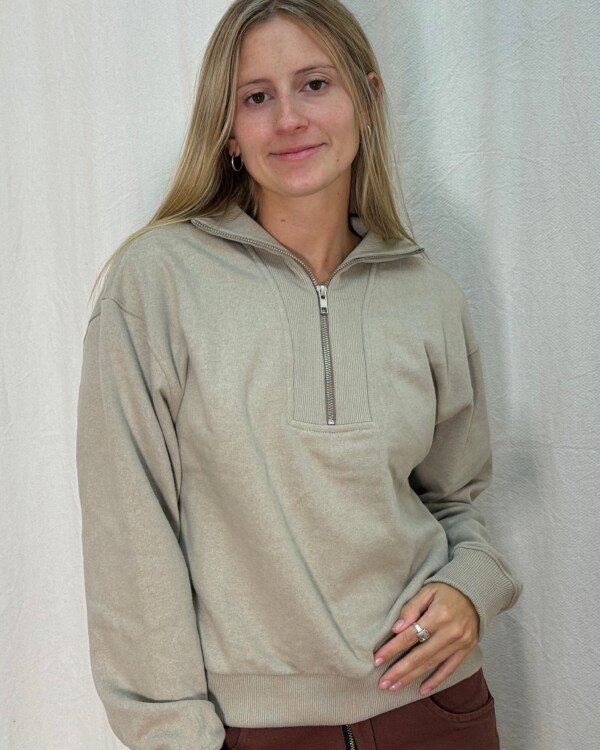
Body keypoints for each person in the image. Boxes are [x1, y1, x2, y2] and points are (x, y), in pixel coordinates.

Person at [75, 1, 524, 748]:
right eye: (256, 97)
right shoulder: (157, 283)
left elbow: (455, 501)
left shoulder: (428, 293)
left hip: (437, 708)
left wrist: (471, 588)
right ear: (228, 129)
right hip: (253, 730)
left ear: (367, 100)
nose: (289, 119)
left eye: (315, 84)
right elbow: (129, 535)